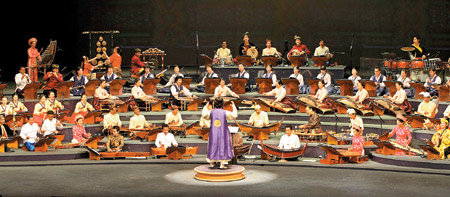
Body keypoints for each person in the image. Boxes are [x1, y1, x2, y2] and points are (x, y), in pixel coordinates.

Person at [201, 97, 237, 169]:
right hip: (223, 132)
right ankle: (222, 164)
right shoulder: (225, 112)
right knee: (222, 145)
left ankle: (212, 163)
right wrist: (234, 107)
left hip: (213, 132)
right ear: (222, 104)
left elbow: (204, 115)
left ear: (214, 103)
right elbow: (234, 115)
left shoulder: (211, 112)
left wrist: (206, 106)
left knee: (213, 144)